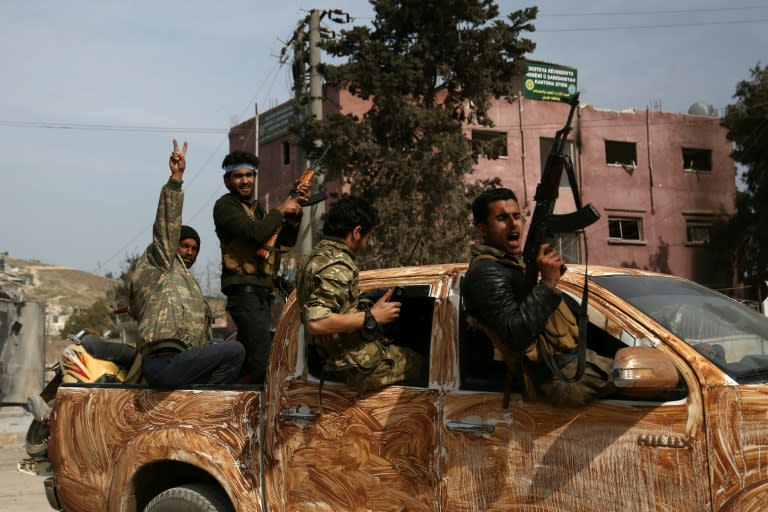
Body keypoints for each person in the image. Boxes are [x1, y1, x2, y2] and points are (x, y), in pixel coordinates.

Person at [461, 187, 613, 406]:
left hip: (570, 364)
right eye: (502, 218)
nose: (514, 224)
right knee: (653, 379)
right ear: (483, 229)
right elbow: (515, 334)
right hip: (555, 377)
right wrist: (548, 285)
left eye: (516, 216)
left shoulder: (515, 266)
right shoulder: (486, 273)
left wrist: (549, 280)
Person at [129, 139, 245, 388]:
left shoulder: (185, 284)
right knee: (235, 352)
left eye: (195, 248)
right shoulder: (163, 264)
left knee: (236, 349)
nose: (190, 252)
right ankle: (207, 409)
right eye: (185, 246)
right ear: (173, 245)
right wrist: (176, 180)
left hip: (183, 361)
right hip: (164, 361)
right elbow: (166, 225)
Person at [295, 196, 426, 394]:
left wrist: (367, 304)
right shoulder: (338, 264)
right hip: (355, 365)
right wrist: (371, 317)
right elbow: (316, 322)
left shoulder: (316, 256)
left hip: (336, 360)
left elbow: (336, 304)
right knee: (423, 364)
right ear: (356, 232)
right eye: (367, 236)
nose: (367, 242)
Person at [213, 150, 310, 384]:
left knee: (249, 360)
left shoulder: (257, 210)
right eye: (238, 176)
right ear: (227, 180)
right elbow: (254, 233)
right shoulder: (225, 206)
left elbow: (284, 241)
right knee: (262, 361)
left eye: (249, 175)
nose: (245, 181)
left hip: (261, 295)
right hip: (244, 295)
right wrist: (280, 209)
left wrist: (295, 212)